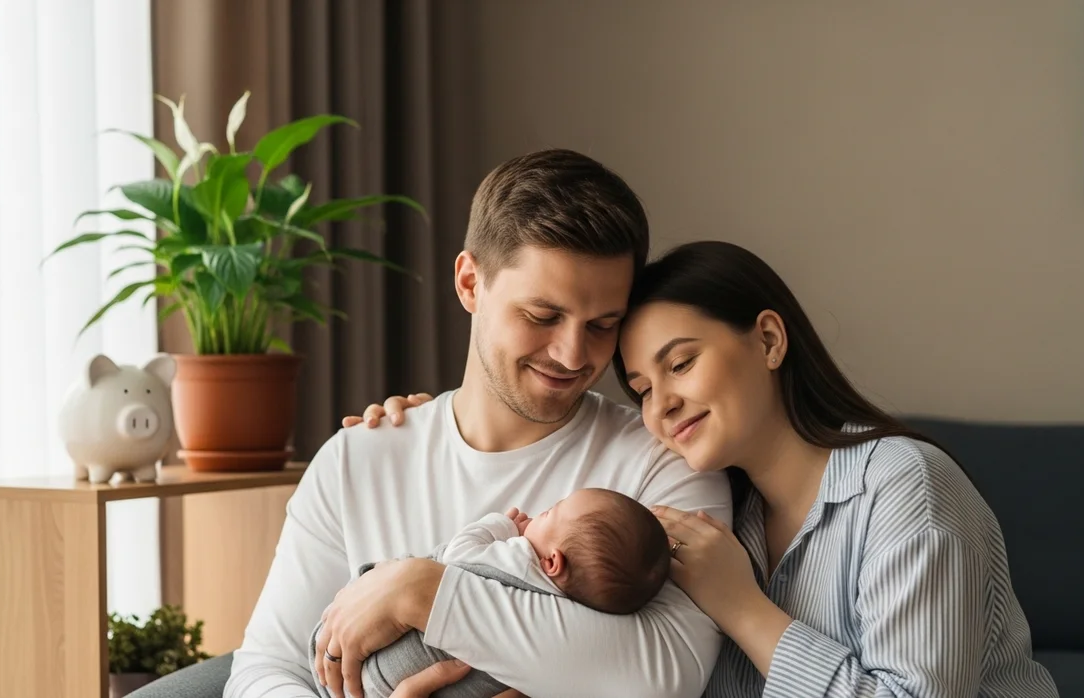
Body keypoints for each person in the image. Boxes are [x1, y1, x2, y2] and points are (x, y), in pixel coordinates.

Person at [350, 240, 1061, 697]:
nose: (662, 406)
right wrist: (420, 424)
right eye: (641, 389)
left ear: (770, 339)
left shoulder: (903, 487)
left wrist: (743, 608)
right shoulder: (715, 519)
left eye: (680, 363)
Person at [223, 149, 733, 698]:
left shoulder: (662, 462)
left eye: (602, 325)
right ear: (470, 283)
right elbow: (264, 672)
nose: (571, 354)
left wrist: (421, 591)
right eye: (542, 316)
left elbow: (666, 673)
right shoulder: (359, 458)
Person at [306, 489, 673, 698]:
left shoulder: (515, 560)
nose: (537, 515)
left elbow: (457, 555)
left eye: (549, 512)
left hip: (369, 666)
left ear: (552, 562)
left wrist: (500, 525)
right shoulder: (568, 621)